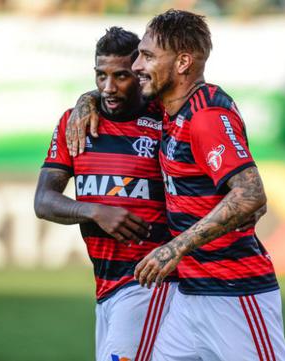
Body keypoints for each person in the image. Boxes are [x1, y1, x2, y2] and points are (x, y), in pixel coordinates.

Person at [66, 10, 285, 361]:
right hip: (190, 296)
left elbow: (251, 194)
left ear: (183, 62)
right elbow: (116, 91)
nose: (138, 65)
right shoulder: (171, 108)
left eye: (149, 56)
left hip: (234, 292)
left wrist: (175, 248)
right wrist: (87, 99)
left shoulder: (206, 118)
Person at [33, 27, 177, 361]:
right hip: (106, 284)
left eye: (121, 76)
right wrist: (95, 211)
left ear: (139, 73)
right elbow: (43, 201)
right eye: (101, 76)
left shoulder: (165, 119)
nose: (109, 88)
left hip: (149, 281)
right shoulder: (75, 123)